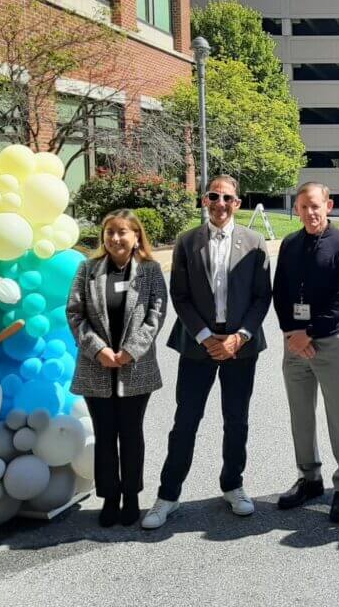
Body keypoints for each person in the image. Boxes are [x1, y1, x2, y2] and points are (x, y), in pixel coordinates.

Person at [142, 175, 272, 529]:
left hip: (240, 348)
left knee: (236, 420)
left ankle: (233, 485)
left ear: (238, 203)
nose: (220, 203)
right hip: (197, 345)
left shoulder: (255, 242)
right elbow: (180, 296)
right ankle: (168, 494)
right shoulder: (187, 242)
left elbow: (263, 296)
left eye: (227, 198)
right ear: (204, 200)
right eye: (213, 196)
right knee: (185, 420)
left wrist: (240, 336)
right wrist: (204, 336)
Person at [67, 209, 167, 527]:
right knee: (105, 435)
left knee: (131, 434)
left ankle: (132, 495)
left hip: (135, 369)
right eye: (109, 232)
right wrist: (98, 350)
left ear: (136, 236)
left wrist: (129, 352)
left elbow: (157, 313)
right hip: (96, 367)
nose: (115, 238)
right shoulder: (88, 269)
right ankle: (110, 497)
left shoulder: (150, 271)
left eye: (122, 231)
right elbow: (75, 312)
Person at [273, 183, 339, 523]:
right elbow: (279, 292)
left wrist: (307, 333)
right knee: (301, 414)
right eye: (302, 207)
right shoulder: (291, 244)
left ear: (329, 205)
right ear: (296, 209)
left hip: (331, 342)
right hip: (294, 341)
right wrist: (290, 333)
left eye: (315, 206)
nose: (309, 213)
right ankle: (310, 478)